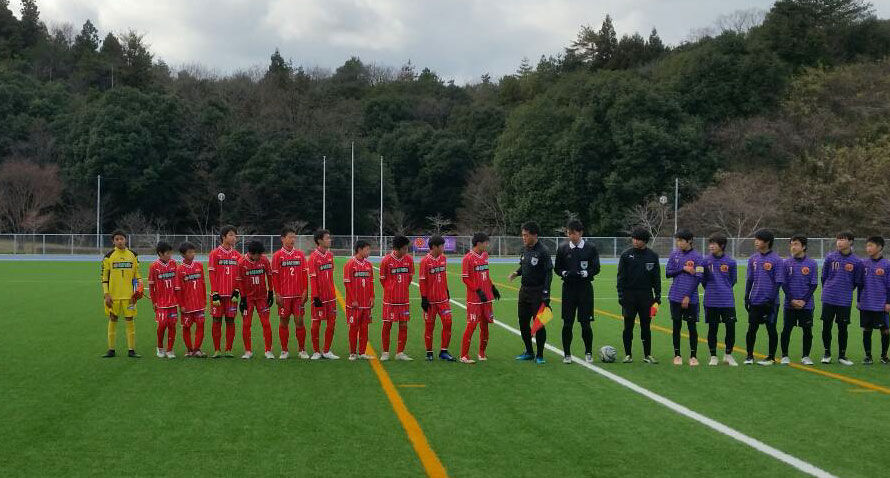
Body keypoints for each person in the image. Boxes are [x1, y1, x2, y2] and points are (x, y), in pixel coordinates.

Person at [553, 220, 600, 364]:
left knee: (586, 323)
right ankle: (567, 354)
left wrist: (585, 273)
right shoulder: (562, 249)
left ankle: (588, 352)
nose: (571, 236)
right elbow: (557, 268)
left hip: (585, 289)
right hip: (568, 289)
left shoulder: (591, 248)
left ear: (580, 233)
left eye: (573, 233)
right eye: (568, 233)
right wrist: (564, 273)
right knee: (567, 323)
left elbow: (596, 268)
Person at [508, 221, 552, 364]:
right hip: (524, 291)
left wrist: (546, 293)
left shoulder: (543, 251)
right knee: (523, 322)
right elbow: (523, 266)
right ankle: (529, 351)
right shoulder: (525, 249)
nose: (523, 238)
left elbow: (548, 273)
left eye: (526, 235)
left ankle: (540, 355)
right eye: (522, 235)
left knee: (538, 324)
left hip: (538, 292)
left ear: (534, 235)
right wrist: (516, 272)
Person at [616, 228, 661, 364]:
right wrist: (620, 295)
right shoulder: (626, 255)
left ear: (645, 241)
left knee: (646, 326)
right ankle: (628, 354)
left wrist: (657, 296)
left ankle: (647, 355)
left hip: (646, 295)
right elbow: (621, 277)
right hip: (629, 295)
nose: (635, 241)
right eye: (634, 238)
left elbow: (656, 277)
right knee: (628, 326)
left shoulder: (652, 256)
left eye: (639, 239)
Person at [819, 231, 862, 365]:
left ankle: (842, 355)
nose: (839, 242)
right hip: (829, 297)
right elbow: (824, 277)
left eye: (842, 240)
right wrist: (829, 289)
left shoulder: (856, 261)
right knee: (826, 325)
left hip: (844, 299)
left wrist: (845, 291)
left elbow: (856, 282)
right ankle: (827, 353)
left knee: (843, 327)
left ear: (850, 242)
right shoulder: (830, 257)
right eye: (838, 239)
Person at [744, 229, 785, 366]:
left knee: (771, 329)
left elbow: (779, 281)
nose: (756, 241)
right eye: (755, 239)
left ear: (767, 242)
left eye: (759, 239)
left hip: (771, 303)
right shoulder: (753, 259)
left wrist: (771, 300)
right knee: (752, 329)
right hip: (755, 300)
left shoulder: (777, 260)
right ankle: (749, 356)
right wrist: (746, 297)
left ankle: (771, 357)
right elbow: (749, 279)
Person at [100, 230, 143, 358]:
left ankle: (131, 350)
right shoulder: (108, 256)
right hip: (114, 296)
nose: (120, 241)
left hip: (129, 297)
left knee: (130, 320)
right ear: (113, 241)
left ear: (126, 240)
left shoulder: (133, 255)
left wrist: (138, 289)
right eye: (117, 239)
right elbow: (104, 277)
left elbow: (137, 275)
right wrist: (106, 294)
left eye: (122, 239)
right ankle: (111, 350)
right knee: (113, 319)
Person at [665, 229, 704, 366]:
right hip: (675, 296)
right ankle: (677, 355)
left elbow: (699, 278)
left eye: (681, 240)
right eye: (677, 240)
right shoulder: (674, 254)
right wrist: (683, 268)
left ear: (690, 241)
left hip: (691, 298)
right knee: (676, 327)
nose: (678, 243)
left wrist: (688, 296)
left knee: (692, 327)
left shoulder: (698, 257)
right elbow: (668, 273)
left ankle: (693, 356)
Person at [779, 236, 819, 365]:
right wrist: (792, 299)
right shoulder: (786, 263)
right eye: (791, 244)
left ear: (804, 247)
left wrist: (804, 300)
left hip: (806, 305)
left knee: (807, 330)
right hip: (789, 304)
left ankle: (805, 356)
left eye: (796, 244)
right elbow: (783, 283)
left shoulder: (812, 264)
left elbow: (813, 284)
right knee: (786, 330)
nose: (793, 247)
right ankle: (785, 355)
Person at [461, 232, 499, 364]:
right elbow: (465, 279)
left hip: (487, 298)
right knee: (471, 325)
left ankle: (481, 353)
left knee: (485, 326)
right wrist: (477, 290)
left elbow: (486, 274)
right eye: (485, 243)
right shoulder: (467, 258)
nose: (487, 245)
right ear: (478, 243)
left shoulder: (485, 255)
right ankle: (464, 355)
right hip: (474, 299)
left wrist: (492, 287)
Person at [272, 227, 309, 359]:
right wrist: (277, 293)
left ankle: (302, 349)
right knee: (284, 322)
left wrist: (305, 290)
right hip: (284, 296)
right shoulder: (277, 256)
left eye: (294, 237)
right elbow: (274, 276)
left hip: (298, 296)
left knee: (299, 322)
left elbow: (305, 274)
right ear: (283, 238)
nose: (293, 239)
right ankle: (284, 350)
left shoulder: (300, 255)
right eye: (290, 237)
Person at [700, 234, 738, 366]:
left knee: (730, 327)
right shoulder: (705, 261)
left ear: (721, 245)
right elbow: (702, 280)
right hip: (711, 300)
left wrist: (723, 289)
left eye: (714, 243)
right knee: (713, 328)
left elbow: (732, 280)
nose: (711, 246)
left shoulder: (731, 262)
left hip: (727, 300)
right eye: (710, 243)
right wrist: (712, 289)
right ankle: (713, 356)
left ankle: (728, 355)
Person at [419, 235, 456, 362]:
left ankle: (444, 351)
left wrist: (447, 291)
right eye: (441, 246)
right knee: (429, 326)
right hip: (430, 301)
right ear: (434, 247)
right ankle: (429, 352)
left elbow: (443, 276)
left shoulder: (443, 259)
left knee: (448, 322)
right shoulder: (424, 261)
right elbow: (422, 281)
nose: (443, 248)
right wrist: (424, 298)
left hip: (443, 300)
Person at [379, 235, 415, 361]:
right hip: (390, 300)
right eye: (404, 249)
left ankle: (400, 352)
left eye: (407, 248)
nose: (406, 251)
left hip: (404, 299)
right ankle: (385, 352)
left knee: (404, 325)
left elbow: (410, 277)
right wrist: (391, 290)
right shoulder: (386, 260)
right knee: (387, 325)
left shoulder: (409, 260)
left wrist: (403, 288)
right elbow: (382, 279)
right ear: (397, 248)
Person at [237, 241, 274, 359]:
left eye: (261, 254)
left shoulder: (264, 260)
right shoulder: (242, 262)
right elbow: (240, 281)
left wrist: (271, 292)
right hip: (248, 299)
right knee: (246, 324)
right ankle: (248, 351)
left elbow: (269, 275)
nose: (260, 257)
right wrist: (242, 298)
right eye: (258, 255)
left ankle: (268, 351)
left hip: (262, 298)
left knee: (266, 323)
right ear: (251, 253)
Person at [208, 225, 241, 358]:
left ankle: (228, 349)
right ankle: (217, 349)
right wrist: (215, 292)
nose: (234, 238)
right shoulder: (214, 253)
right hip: (218, 296)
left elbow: (239, 275)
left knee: (230, 321)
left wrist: (237, 290)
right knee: (216, 321)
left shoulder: (237, 255)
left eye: (235, 235)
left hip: (231, 296)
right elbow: (212, 274)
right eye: (231, 235)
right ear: (223, 237)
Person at [857, 236, 890, 365]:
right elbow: (860, 284)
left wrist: (888, 302)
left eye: (871, 246)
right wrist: (859, 300)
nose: (868, 248)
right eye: (867, 246)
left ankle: (884, 356)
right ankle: (868, 356)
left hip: (881, 304)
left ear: (880, 247)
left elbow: (889, 286)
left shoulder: (887, 264)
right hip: (866, 303)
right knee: (866, 329)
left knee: (885, 330)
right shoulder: (863, 264)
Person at [308, 229, 339, 360]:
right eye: (327, 238)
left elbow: (330, 276)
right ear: (319, 240)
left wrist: (333, 292)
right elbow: (313, 278)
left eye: (329, 237)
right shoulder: (313, 258)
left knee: (332, 323)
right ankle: (316, 351)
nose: (329, 239)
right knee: (316, 323)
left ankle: (327, 350)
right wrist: (315, 297)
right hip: (319, 297)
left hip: (330, 296)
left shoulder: (330, 255)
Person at [175, 241, 207, 358]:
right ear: (183, 255)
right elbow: (178, 289)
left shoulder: (199, 266)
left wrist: (204, 299)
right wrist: (181, 305)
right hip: (187, 305)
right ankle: (189, 350)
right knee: (186, 327)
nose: (192, 254)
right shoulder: (180, 270)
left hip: (199, 303)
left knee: (201, 325)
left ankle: (197, 349)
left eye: (193, 251)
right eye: (189, 252)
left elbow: (203, 284)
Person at [344, 240, 375, 361]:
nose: (369, 252)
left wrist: (372, 297)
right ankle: (352, 353)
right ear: (359, 250)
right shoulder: (350, 264)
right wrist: (353, 299)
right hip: (354, 304)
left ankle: (362, 352)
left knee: (364, 328)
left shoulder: (368, 265)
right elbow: (347, 283)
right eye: (367, 249)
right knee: (353, 327)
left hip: (366, 303)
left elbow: (371, 282)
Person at [148, 241, 178, 359]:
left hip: (173, 302)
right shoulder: (154, 266)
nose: (170, 255)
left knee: (172, 326)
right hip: (161, 303)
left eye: (170, 253)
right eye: (167, 253)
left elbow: (177, 282)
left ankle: (170, 350)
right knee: (162, 326)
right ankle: (160, 347)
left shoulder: (174, 264)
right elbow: (151, 286)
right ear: (160, 253)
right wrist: (154, 302)